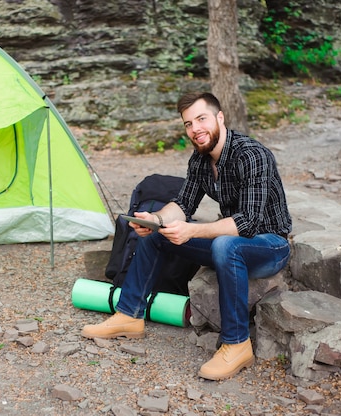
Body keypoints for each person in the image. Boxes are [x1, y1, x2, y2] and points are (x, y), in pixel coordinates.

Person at [81, 91, 292, 381]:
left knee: (226, 245)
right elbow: (182, 205)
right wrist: (155, 220)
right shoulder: (200, 159)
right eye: (188, 124)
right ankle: (129, 315)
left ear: (220, 117)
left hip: (270, 246)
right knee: (158, 237)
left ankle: (237, 344)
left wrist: (192, 230)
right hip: (232, 243)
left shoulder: (251, 155)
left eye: (201, 119)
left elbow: (248, 223)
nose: (195, 129)